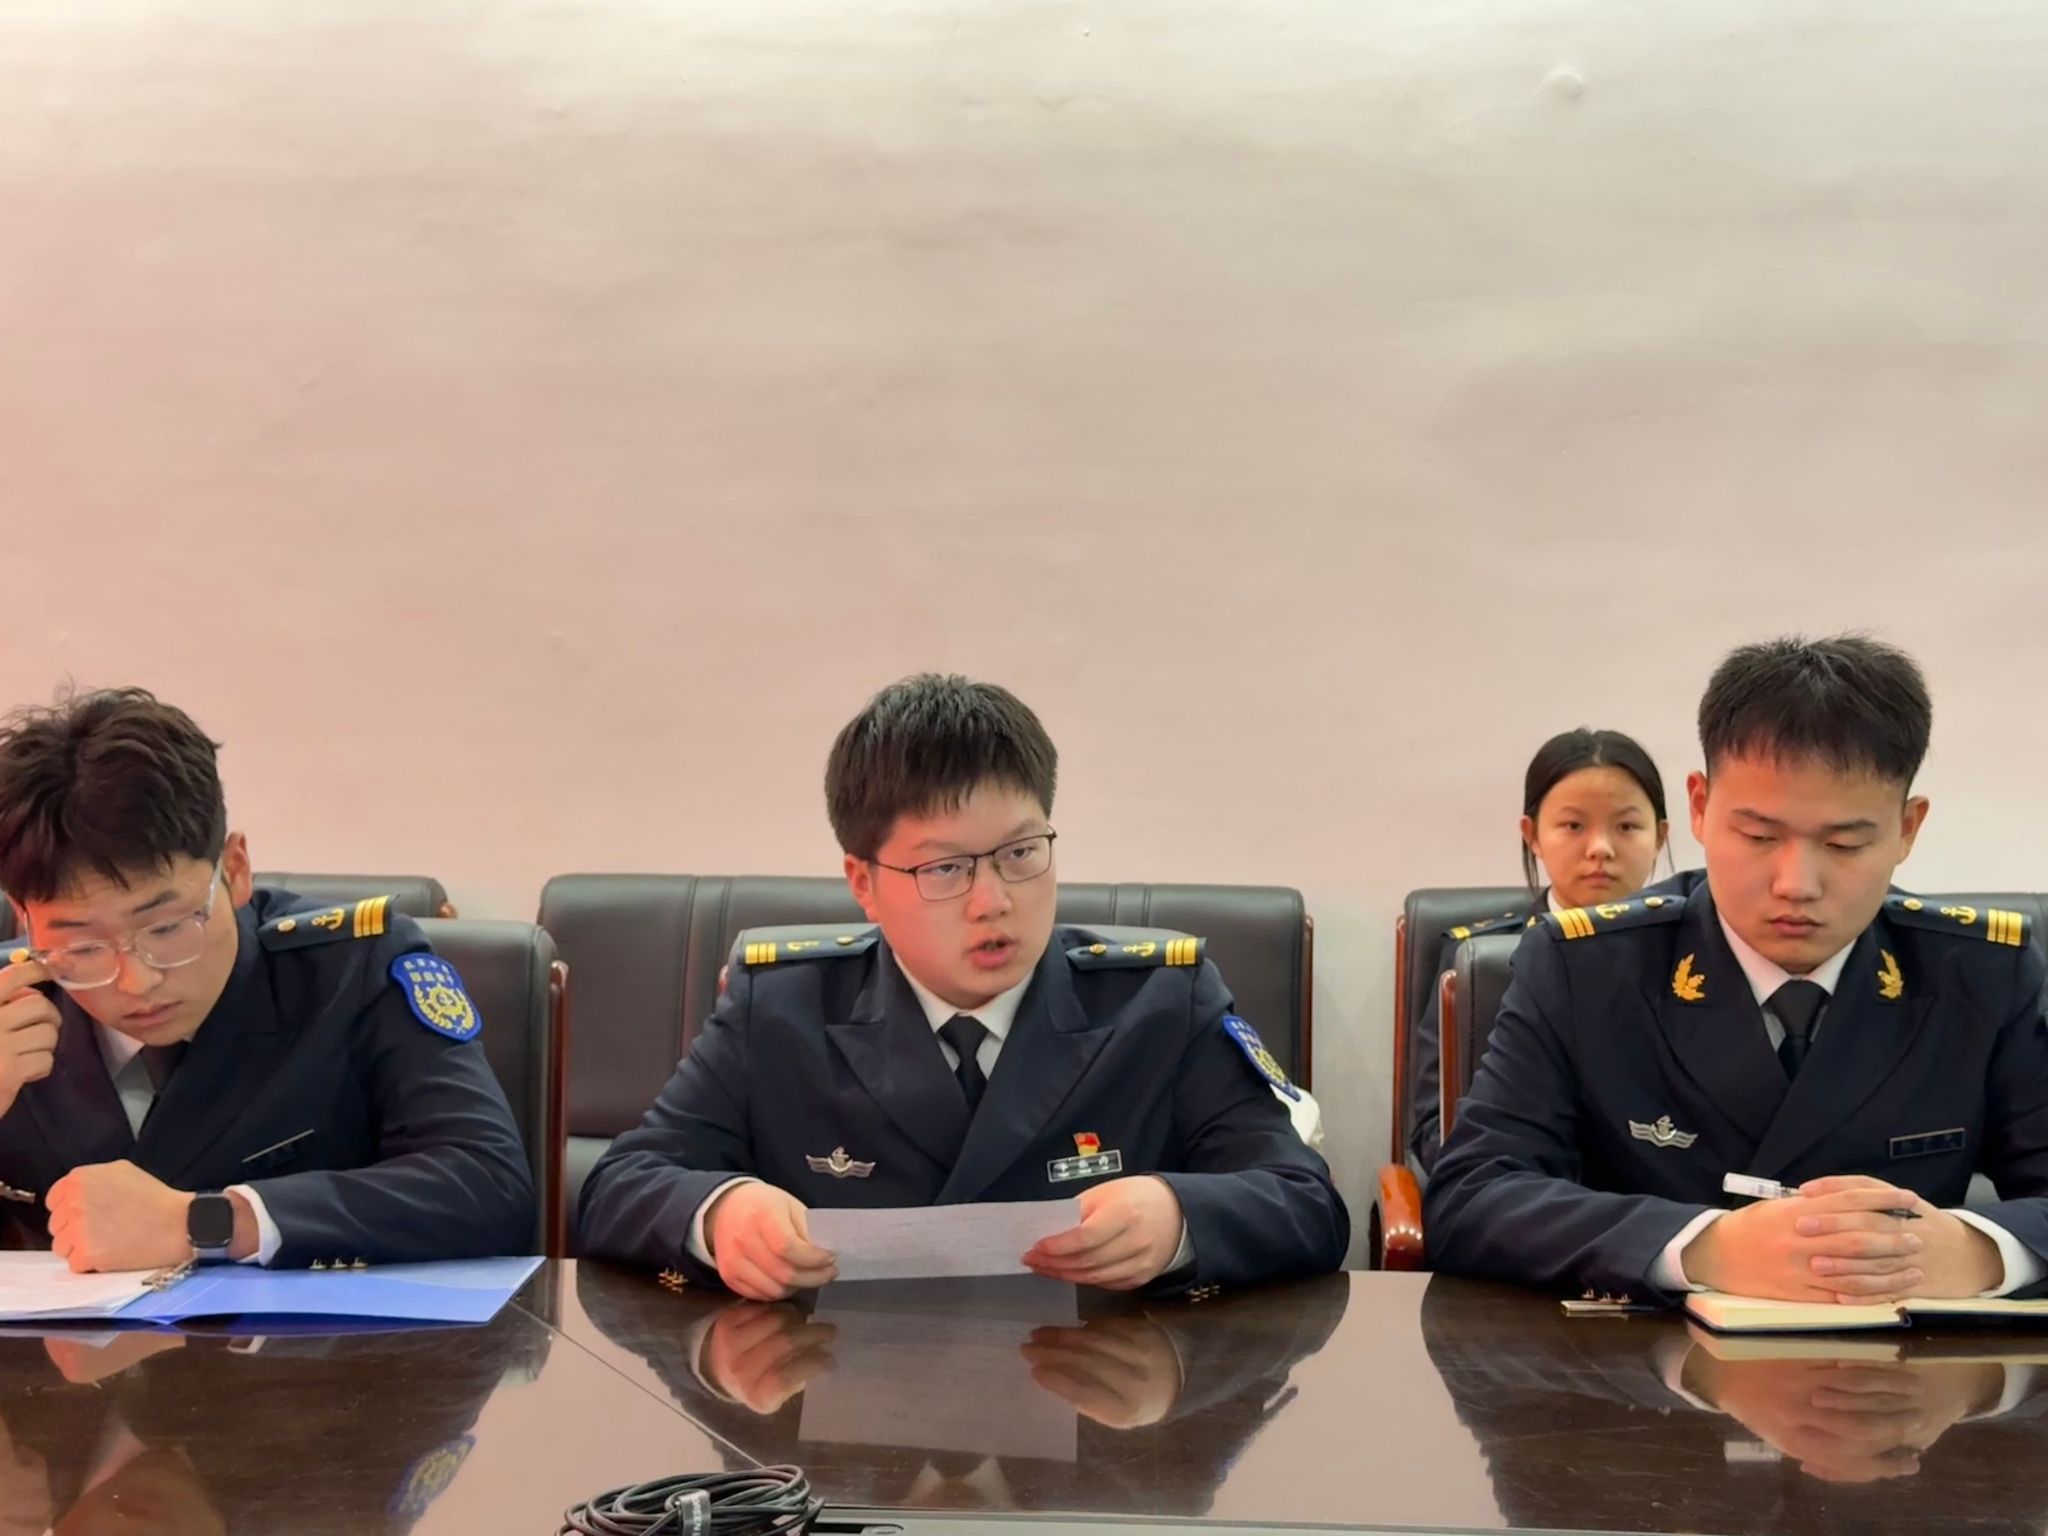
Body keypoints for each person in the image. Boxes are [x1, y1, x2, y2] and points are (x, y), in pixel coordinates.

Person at [578, 673, 1348, 1298]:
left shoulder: (1160, 1002)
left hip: (1099, 1402)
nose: (994, 900)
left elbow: (1307, 1201)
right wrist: (720, 1214)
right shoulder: (781, 1007)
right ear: (864, 884)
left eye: (1021, 852)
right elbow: (621, 1185)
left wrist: (1181, 1218)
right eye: (945, 868)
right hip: (843, 1401)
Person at [1426, 635, 2048, 1304]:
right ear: (1698, 807)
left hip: (1906, 1358)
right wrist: (1701, 1247)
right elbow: (1472, 1196)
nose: (1796, 884)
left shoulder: (1979, 973)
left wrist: (1980, 1251)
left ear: (1907, 828)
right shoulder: (1587, 967)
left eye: (1845, 843)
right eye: (1759, 836)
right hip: (1647, 1362)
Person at [0, 687, 533, 1271]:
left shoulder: (352, 970)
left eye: (167, 927)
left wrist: (211, 1222)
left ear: (234, 870)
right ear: (24, 918)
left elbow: (489, 1184)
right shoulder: (14, 998)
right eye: (82, 946)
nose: (136, 981)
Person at [1408, 728, 1669, 1171]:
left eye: (1626, 826)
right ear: (1532, 835)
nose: (1600, 849)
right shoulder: (1478, 960)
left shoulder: (1694, 956)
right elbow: (1437, 1130)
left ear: (1660, 835)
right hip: (1524, 1193)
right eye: (1573, 826)